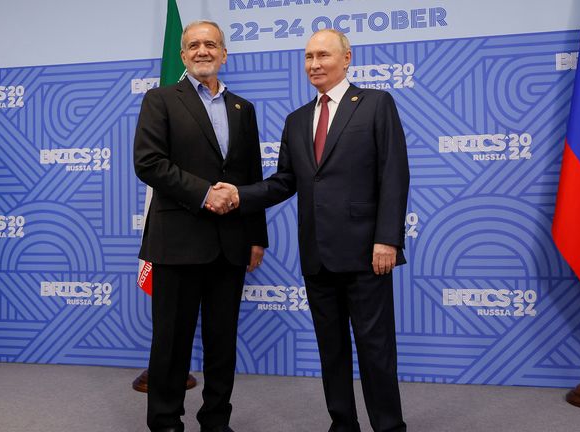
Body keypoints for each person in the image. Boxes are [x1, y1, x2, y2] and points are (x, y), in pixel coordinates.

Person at [210, 29, 408, 432]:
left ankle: (389, 426)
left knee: (376, 350)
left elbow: (394, 175)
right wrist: (239, 194)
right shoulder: (297, 119)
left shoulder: (375, 104)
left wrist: (387, 239)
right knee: (330, 349)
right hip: (316, 254)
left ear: (347, 58)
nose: (314, 64)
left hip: (367, 254)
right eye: (308, 57)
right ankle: (342, 423)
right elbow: (284, 181)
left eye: (323, 55)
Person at [133, 20, 268, 432]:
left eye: (211, 44)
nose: (203, 51)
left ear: (224, 54)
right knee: (171, 342)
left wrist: (257, 237)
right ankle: (165, 420)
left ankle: (216, 420)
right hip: (176, 241)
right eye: (194, 45)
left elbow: (252, 176)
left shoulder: (243, 108)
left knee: (222, 342)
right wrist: (205, 193)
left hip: (230, 244)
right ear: (183, 55)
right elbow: (149, 163)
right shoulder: (160, 100)